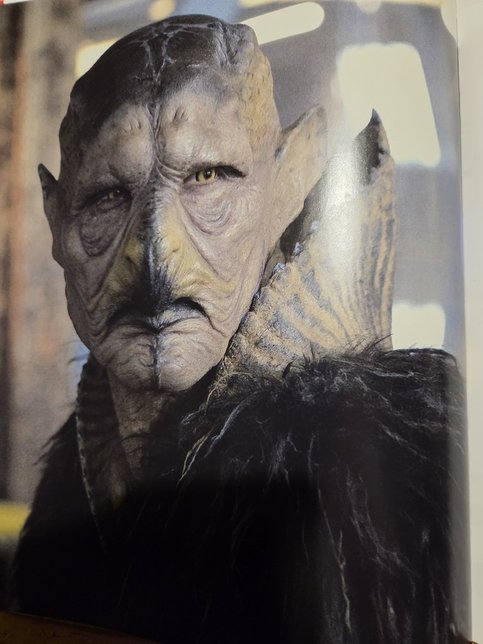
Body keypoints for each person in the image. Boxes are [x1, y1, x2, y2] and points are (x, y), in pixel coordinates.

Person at [11, 15, 469, 643]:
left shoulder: (386, 487)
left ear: (288, 180)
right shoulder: (74, 490)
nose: (155, 253)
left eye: (208, 177)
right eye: (108, 196)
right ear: (56, 218)